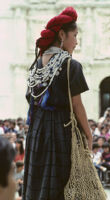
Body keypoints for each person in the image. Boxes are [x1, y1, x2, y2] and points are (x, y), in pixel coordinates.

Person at [23, 7, 94, 200]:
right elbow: (77, 106)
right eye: (75, 35)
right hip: (61, 131)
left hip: (37, 131)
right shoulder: (71, 65)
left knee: (38, 181)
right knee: (62, 185)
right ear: (62, 35)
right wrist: (88, 134)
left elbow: (30, 98)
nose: (77, 42)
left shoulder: (36, 64)